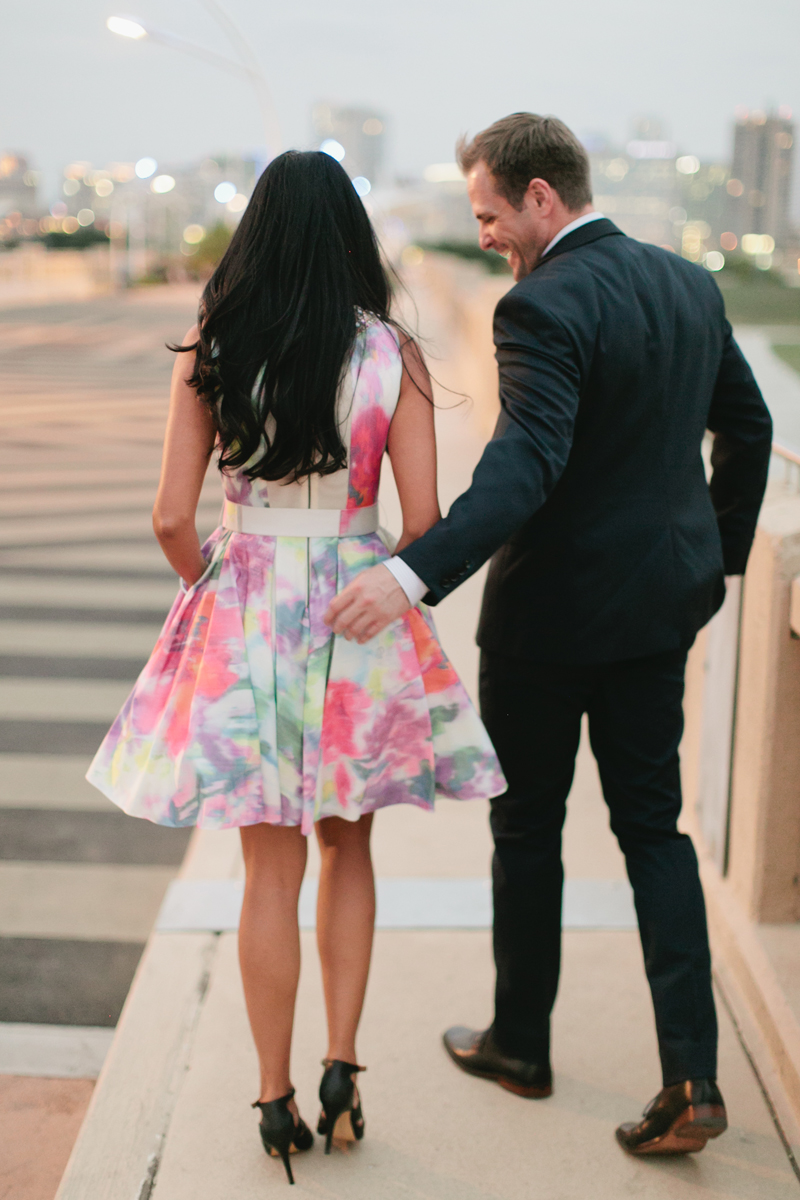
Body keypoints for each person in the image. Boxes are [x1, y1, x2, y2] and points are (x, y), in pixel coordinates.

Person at [326, 112, 773, 1156]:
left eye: (487, 214)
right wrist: (717, 558)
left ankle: (519, 1044)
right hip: (660, 607)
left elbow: (523, 470)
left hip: (548, 622)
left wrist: (408, 574)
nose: (481, 235)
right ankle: (692, 1080)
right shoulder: (686, 283)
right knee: (654, 834)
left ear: (539, 197)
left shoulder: (538, 306)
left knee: (527, 831)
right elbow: (746, 429)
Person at [86, 150, 504, 1186]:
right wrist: (364, 567)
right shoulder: (391, 354)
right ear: (350, 238)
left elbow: (172, 517)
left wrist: (214, 589)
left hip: (247, 606)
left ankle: (270, 1098)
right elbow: (427, 526)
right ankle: (341, 1071)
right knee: (346, 852)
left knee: (267, 869)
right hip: (357, 612)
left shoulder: (215, 351)